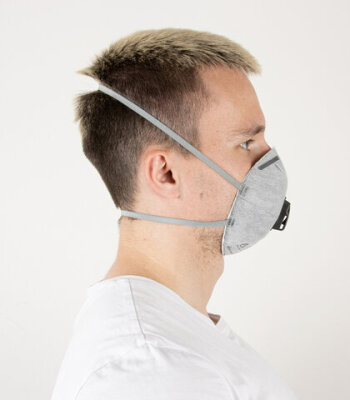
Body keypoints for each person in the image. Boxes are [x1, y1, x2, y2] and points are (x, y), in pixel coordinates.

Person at [50, 27, 296, 400]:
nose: (270, 161)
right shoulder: (151, 369)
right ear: (166, 173)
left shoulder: (175, 340)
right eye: (246, 143)